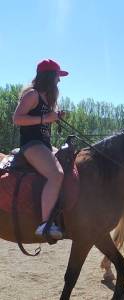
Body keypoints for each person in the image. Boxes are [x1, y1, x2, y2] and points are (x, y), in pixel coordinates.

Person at [13, 59, 68, 239]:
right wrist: (45, 118)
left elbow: (46, 118)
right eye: (57, 76)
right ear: (49, 76)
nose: (59, 81)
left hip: (44, 144)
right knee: (56, 174)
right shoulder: (33, 95)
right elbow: (17, 119)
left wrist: (55, 117)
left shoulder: (47, 98)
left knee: (69, 161)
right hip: (32, 144)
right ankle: (45, 224)